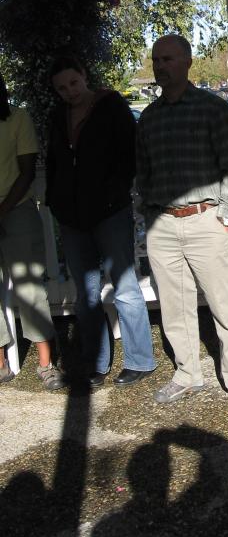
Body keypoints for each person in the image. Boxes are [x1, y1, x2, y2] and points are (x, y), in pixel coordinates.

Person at [136, 34, 228, 418]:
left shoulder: (212, 109)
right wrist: (150, 213)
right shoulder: (150, 117)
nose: (161, 66)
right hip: (163, 225)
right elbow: (143, 169)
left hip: (207, 220)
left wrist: (225, 212)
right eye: (157, 59)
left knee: (225, 306)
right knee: (174, 307)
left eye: (169, 58)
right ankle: (188, 373)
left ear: (187, 62)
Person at [46, 57, 156, 387]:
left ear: (84, 76)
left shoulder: (111, 106)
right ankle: (96, 363)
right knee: (86, 295)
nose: (70, 92)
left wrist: (113, 190)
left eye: (74, 83)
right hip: (72, 217)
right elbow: (54, 160)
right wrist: (56, 199)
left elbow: (130, 153)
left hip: (109, 211)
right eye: (62, 88)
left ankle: (140, 360)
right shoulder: (57, 115)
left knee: (124, 286)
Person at [0, 73, 65, 390]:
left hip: (17, 209)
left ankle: (45, 364)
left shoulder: (17, 117)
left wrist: (2, 210)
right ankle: (0, 364)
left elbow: (26, 172)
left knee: (29, 289)